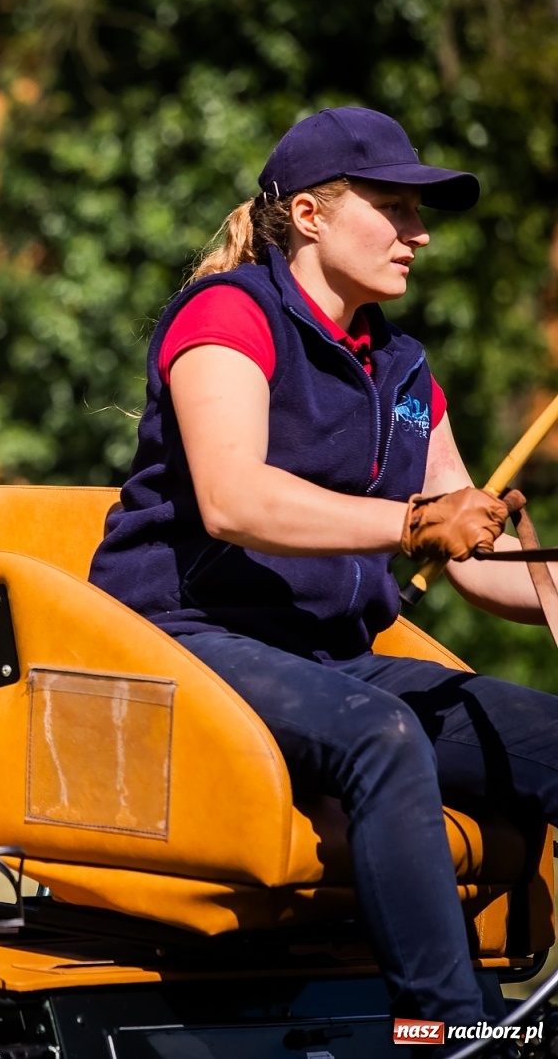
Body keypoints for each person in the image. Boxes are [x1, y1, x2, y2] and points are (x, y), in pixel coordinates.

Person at [89, 106, 558, 1024]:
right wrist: (417, 521)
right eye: (393, 207)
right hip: (182, 640)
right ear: (309, 215)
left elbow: (475, 553)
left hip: (330, 656)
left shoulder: (403, 364)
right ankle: (451, 1031)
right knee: (379, 734)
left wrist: (524, 568)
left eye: (422, 215)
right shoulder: (227, 315)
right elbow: (234, 499)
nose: (418, 236)